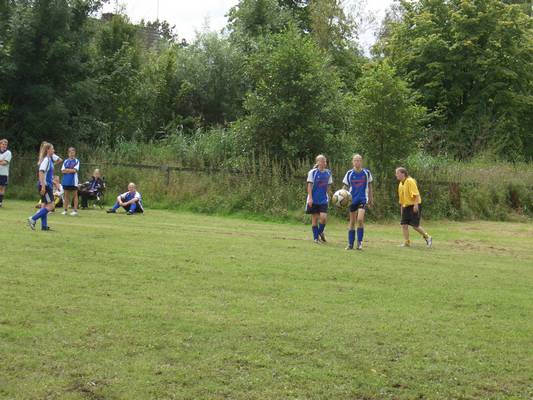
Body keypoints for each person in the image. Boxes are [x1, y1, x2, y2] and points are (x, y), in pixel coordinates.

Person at [395, 167, 432, 248]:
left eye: (397, 173)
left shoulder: (410, 181)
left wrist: (415, 205)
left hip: (414, 205)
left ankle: (428, 237)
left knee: (415, 226)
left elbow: (416, 194)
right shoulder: (400, 184)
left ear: (403, 174)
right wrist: (402, 209)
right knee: (404, 225)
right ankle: (406, 242)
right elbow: (401, 199)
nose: (396, 175)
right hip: (406, 206)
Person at [343, 154, 373, 250]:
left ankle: (359, 243)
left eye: (359, 160)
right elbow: (345, 187)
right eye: (355, 160)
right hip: (352, 200)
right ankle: (350, 244)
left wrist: (371, 198)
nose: (357, 162)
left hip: (363, 199)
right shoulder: (349, 173)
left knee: (360, 219)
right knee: (352, 222)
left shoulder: (366, 173)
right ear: (352, 161)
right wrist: (341, 197)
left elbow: (370, 186)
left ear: (361, 161)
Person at [27, 142, 58, 231]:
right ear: (48, 150)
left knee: (44, 206)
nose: (54, 150)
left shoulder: (49, 160)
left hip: (47, 185)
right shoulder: (46, 160)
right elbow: (41, 172)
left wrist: (52, 182)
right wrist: (43, 186)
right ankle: (33, 219)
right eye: (52, 149)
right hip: (45, 186)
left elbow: (46, 175)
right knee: (51, 206)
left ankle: (44, 226)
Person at [306, 154, 332, 244]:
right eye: (321, 161)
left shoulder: (328, 173)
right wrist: (310, 198)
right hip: (313, 199)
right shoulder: (312, 172)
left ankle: (320, 232)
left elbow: (328, 186)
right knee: (315, 220)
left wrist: (329, 196)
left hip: (323, 199)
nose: (324, 163)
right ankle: (316, 239)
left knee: (323, 218)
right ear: (317, 162)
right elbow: (309, 186)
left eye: (325, 161)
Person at [61, 147, 80, 216]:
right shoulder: (65, 161)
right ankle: (65, 210)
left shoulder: (77, 161)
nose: (71, 154)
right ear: (68, 153)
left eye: (73, 152)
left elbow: (75, 170)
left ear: (75, 153)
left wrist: (67, 170)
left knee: (75, 195)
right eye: (70, 152)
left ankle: (75, 211)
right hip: (66, 181)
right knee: (66, 196)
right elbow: (62, 171)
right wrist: (70, 170)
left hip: (73, 181)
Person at [0, 138, 12, 208]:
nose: (4, 145)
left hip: (4, 173)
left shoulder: (8, 153)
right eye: (3, 144)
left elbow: (5, 162)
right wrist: (1, 161)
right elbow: (2, 161)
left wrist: (2, 161)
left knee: (2, 188)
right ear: (0, 144)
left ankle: (0, 202)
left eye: (5, 144)